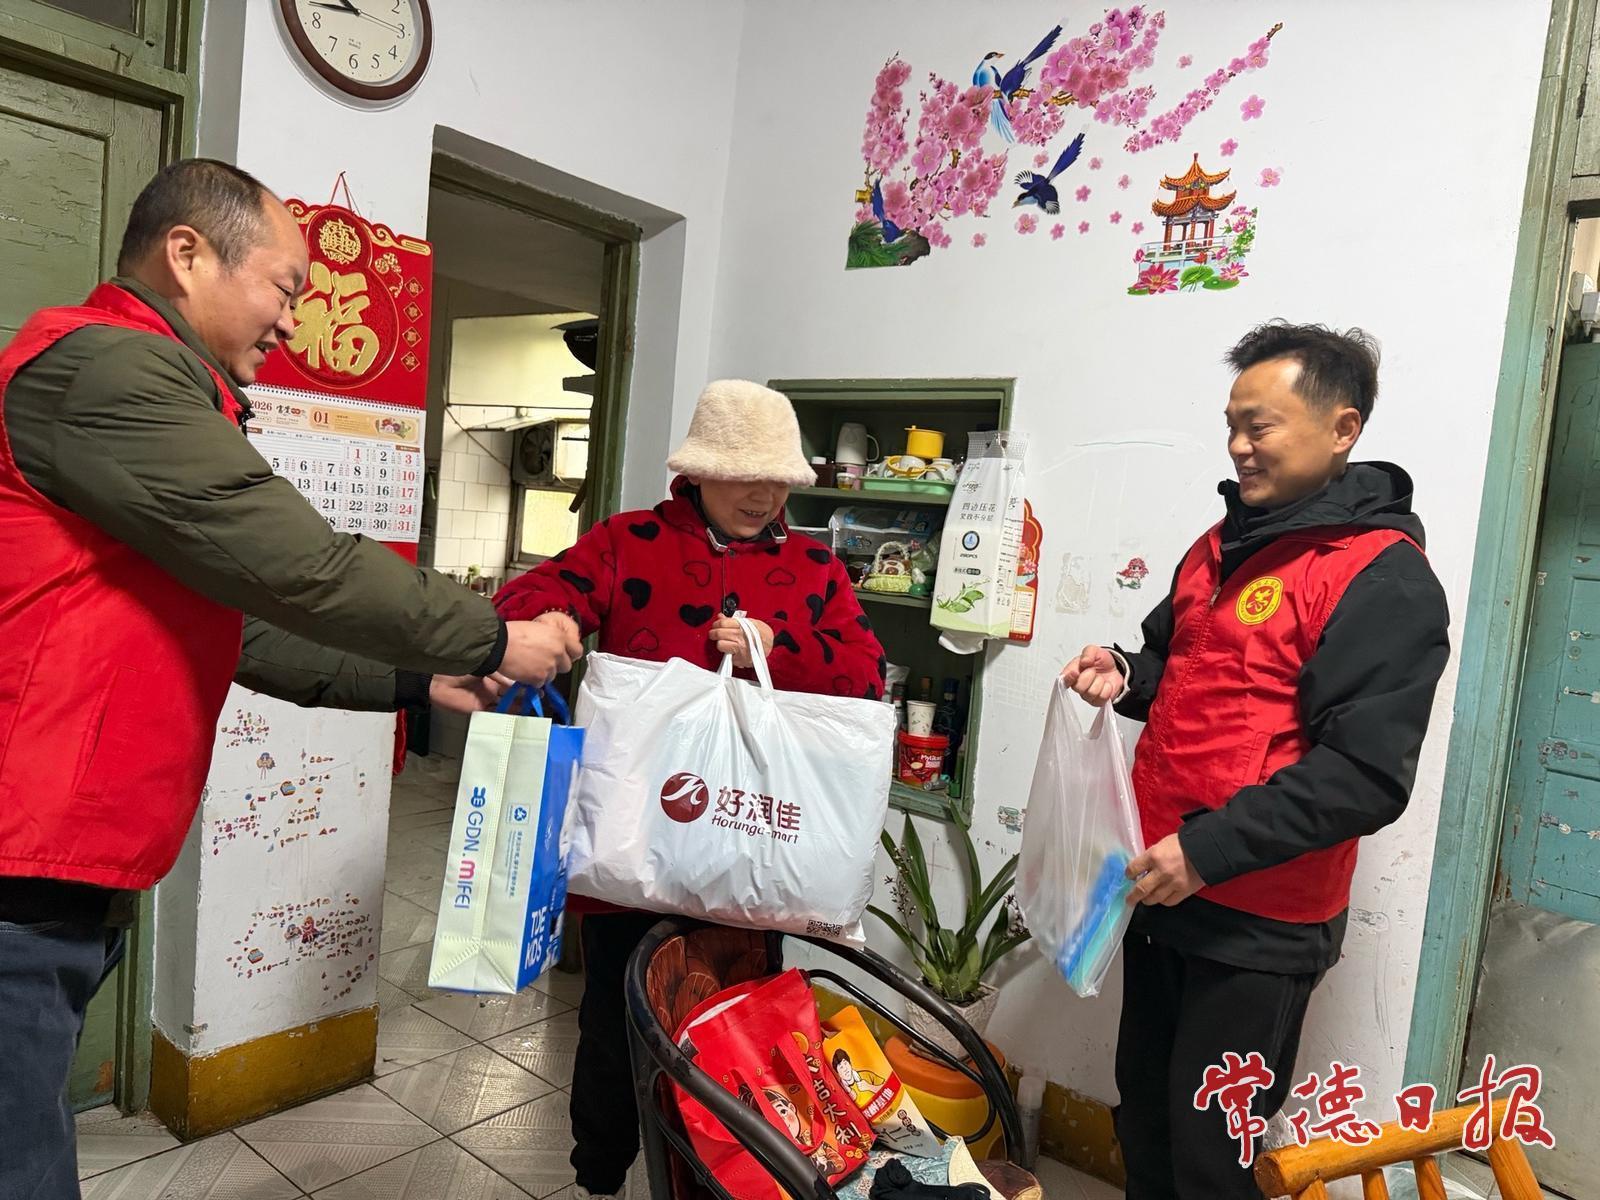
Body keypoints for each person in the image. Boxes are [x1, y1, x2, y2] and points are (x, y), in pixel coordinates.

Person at [0, 159, 583, 1197]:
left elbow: (244, 628)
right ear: (188, 255)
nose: (293, 318)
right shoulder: (110, 372)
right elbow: (305, 569)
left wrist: (417, 685)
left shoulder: (153, 390)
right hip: (19, 852)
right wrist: (490, 637)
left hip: (61, 852)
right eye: (284, 286)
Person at [1060, 322, 1450, 1198]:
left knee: (1212, 1159)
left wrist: (1205, 851)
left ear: (1343, 429)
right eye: (1232, 424)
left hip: (1258, 924)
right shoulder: (1219, 544)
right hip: (1159, 887)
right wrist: (1123, 672)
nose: (1239, 446)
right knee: (1144, 1120)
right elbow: (1177, 666)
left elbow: (1364, 776)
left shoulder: (1381, 575)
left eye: (1260, 426)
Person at [494, 378, 887, 1200]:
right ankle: (600, 1177)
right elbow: (530, 597)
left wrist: (779, 646)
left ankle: (720, 1181)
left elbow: (863, 674)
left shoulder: (813, 567)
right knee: (614, 1031)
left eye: (777, 479)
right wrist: (554, 623)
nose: (763, 496)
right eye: (743, 476)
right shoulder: (630, 541)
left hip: (754, 860)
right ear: (698, 472)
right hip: (636, 848)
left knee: (735, 1038)